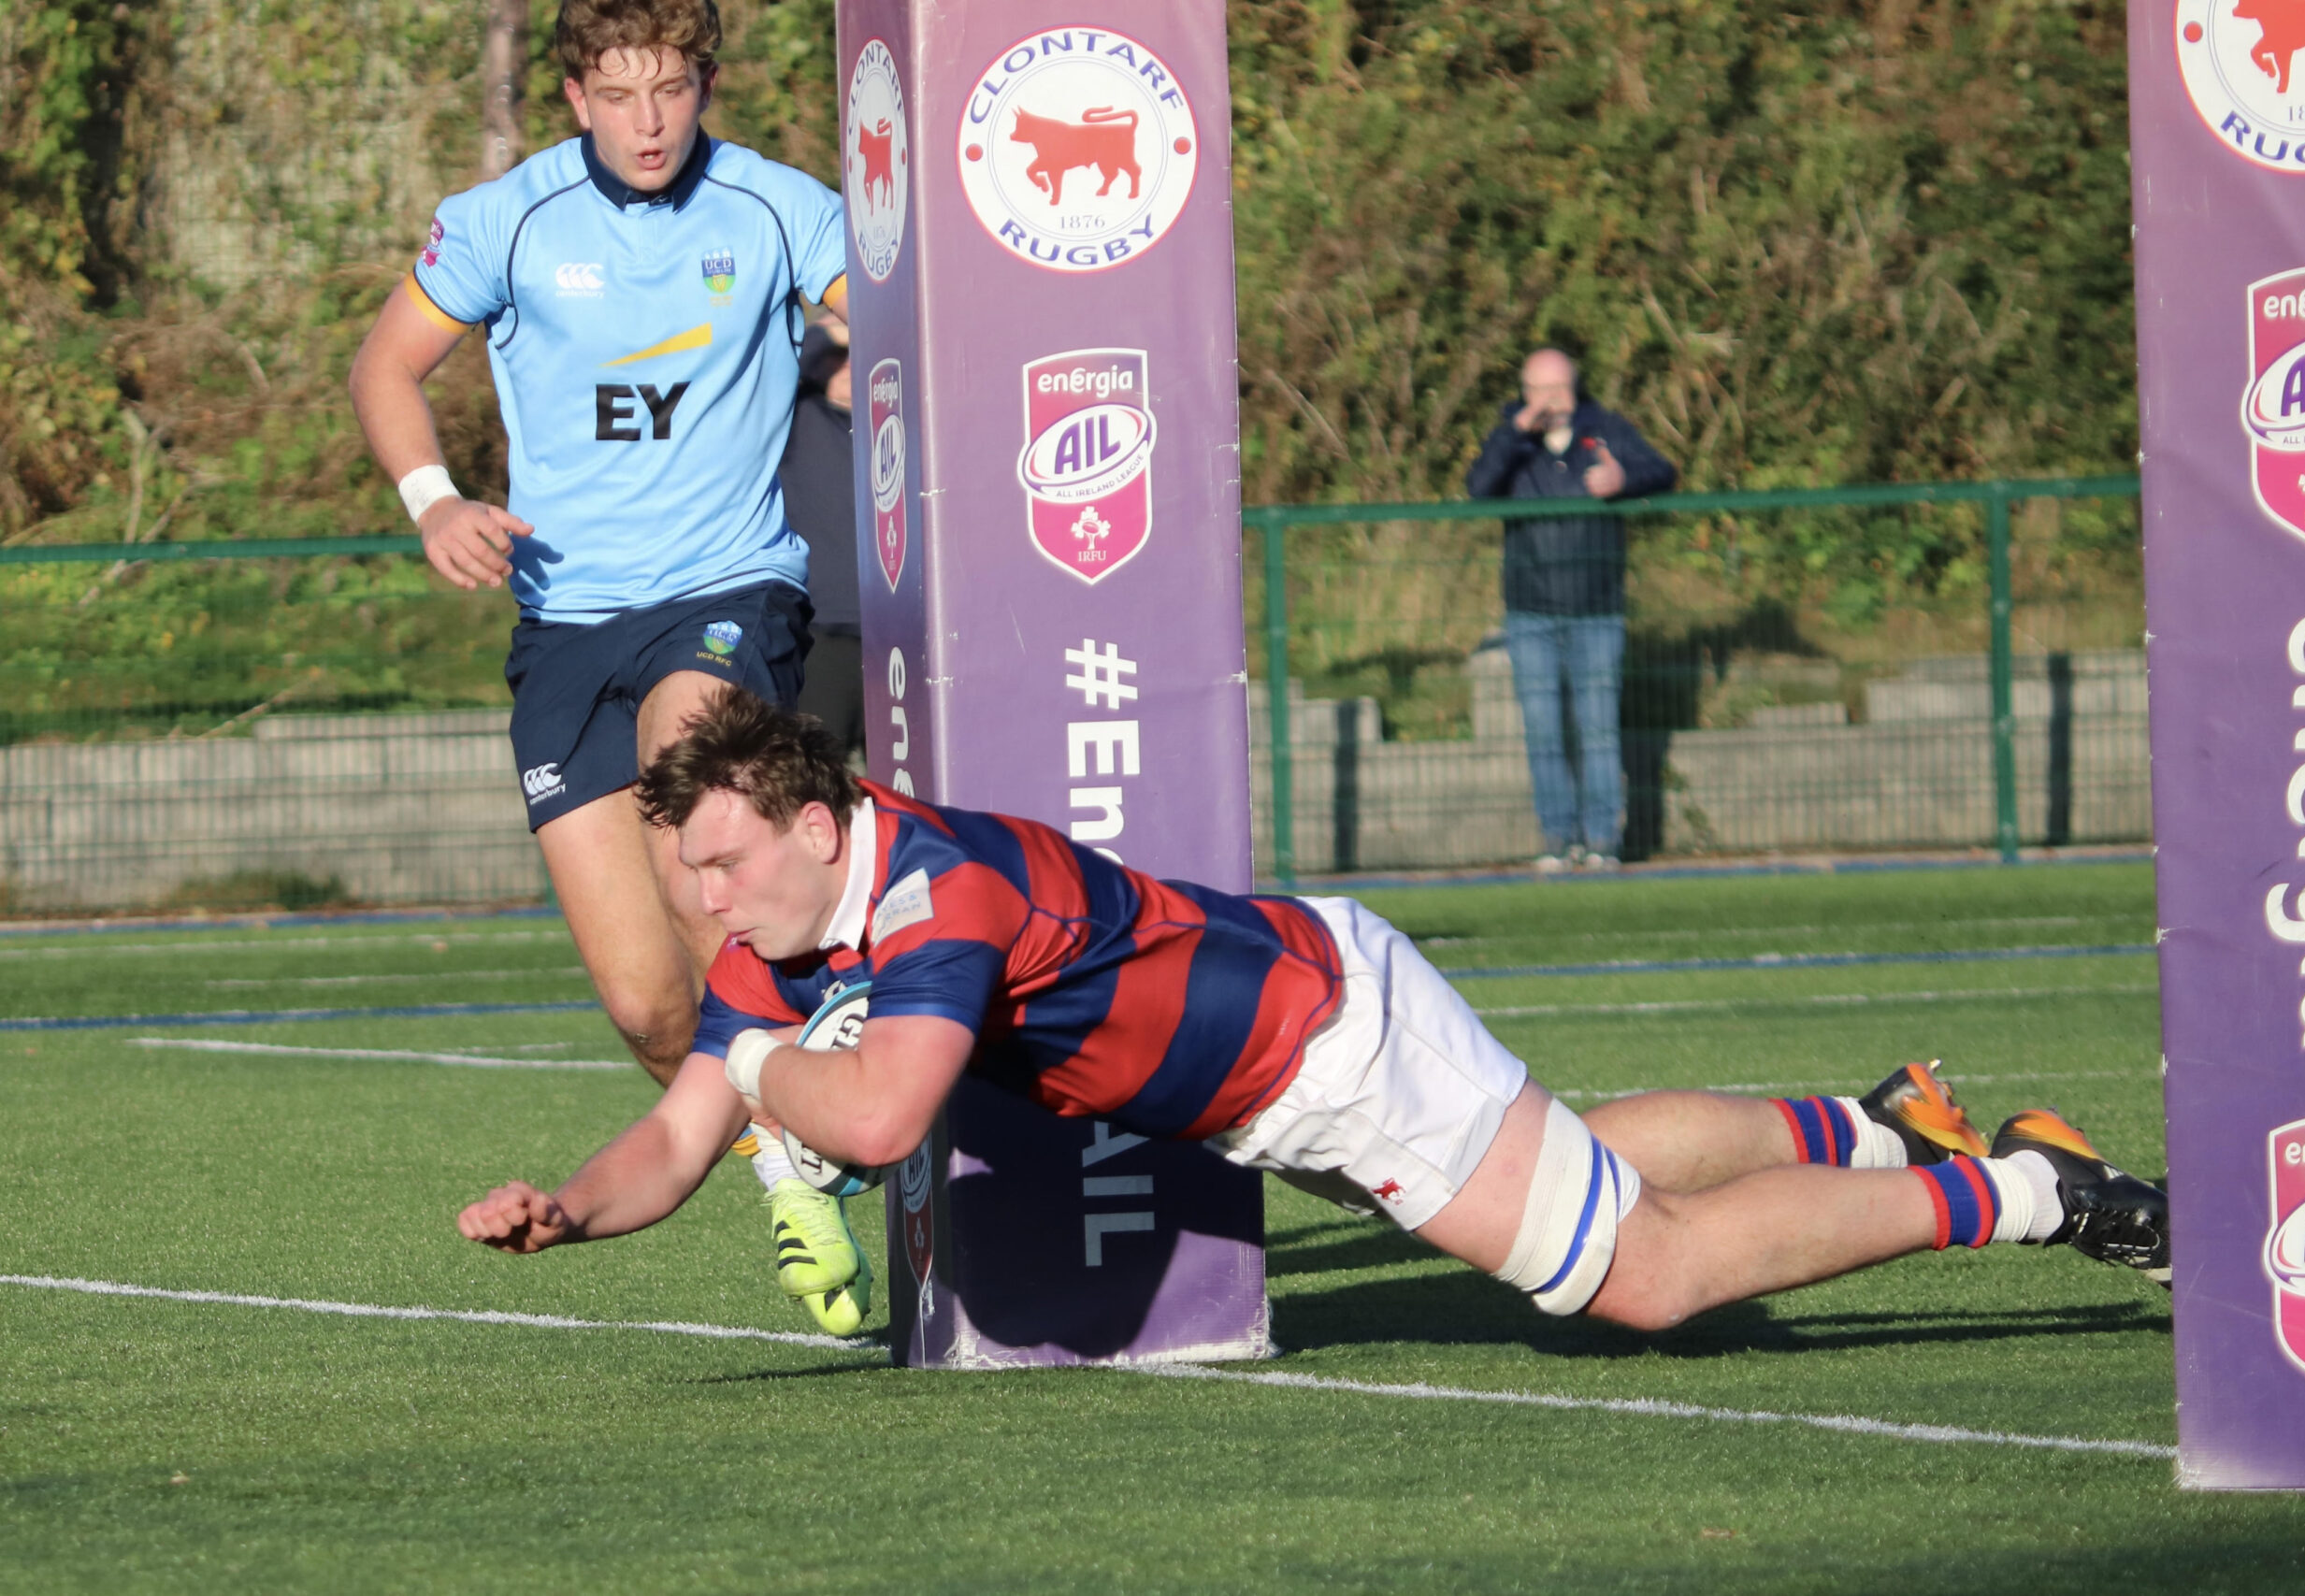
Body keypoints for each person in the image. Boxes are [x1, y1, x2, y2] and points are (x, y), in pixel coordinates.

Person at [458, 690, 2173, 1336]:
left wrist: (764, 1056)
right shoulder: (786, 923)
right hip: (1290, 1046)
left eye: (721, 861)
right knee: (1579, 1167)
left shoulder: (937, 893)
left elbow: (882, 1113)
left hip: (1324, 1045)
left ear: (819, 827)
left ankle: (2036, 1188)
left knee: (1639, 1274)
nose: (704, 900)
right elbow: (680, 1131)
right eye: (687, 870)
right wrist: (570, 1206)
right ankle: (1881, 1124)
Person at [347, 0, 866, 1330]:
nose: (650, 122)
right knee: (646, 1005)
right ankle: (796, 1137)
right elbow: (386, 367)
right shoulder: (503, 221)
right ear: (576, 95)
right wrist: (433, 502)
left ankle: (850, 1100)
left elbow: (892, 323)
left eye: (673, 90)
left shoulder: (777, 207)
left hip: (726, 590)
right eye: (621, 94)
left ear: (707, 84)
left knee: (691, 791)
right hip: (567, 628)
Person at [1466, 348, 1677, 870]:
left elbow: (1663, 470)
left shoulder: (1605, 430)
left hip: (1597, 608)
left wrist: (1623, 481)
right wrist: (1516, 432)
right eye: (1539, 390)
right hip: (1531, 611)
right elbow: (1479, 487)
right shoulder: (1511, 438)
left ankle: (1603, 839)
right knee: (1543, 731)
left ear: (1575, 388)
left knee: (1599, 727)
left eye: (1559, 388)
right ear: (1524, 393)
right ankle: (1557, 838)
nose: (1550, 400)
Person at [780, 316, 864, 757]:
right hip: (822, 636)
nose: (847, 363)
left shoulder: (908, 425)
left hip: (902, 636)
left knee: (909, 785)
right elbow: (776, 365)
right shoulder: (796, 420)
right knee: (815, 775)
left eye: (857, 354)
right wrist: (832, 332)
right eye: (836, 356)